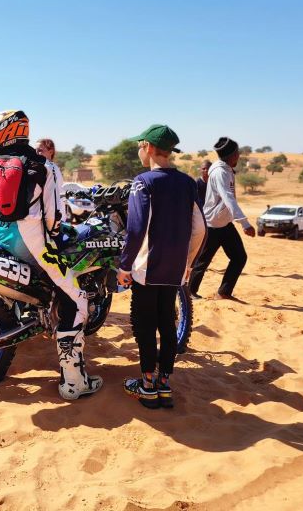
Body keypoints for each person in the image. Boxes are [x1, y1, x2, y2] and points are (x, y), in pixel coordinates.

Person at [0, 109, 101, 400]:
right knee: (77, 298)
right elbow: (54, 217)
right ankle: (74, 382)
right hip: (31, 242)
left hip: (1, 237)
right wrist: (56, 236)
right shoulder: (45, 165)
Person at [117, 125, 206, 409]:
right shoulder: (188, 182)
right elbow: (199, 228)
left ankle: (146, 385)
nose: (139, 151)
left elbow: (136, 228)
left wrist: (125, 265)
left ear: (150, 148)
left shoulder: (144, 181)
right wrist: (188, 262)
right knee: (167, 323)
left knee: (145, 325)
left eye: (140, 145)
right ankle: (164, 384)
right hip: (175, 269)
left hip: (148, 268)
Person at [188, 137, 255, 301]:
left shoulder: (226, 170)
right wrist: (245, 223)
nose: (239, 156)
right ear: (232, 155)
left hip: (224, 223)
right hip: (212, 225)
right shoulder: (220, 172)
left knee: (239, 257)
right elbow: (228, 198)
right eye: (237, 153)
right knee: (202, 261)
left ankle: (224, 292)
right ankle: (189, 293)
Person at [35, 138, 67, 220]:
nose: (37, 153)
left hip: (52, 216)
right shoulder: (54, 167)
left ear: (51, 151)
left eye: (40, 150)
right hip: (56, 215)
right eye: (35, 150)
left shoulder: (47, 167)